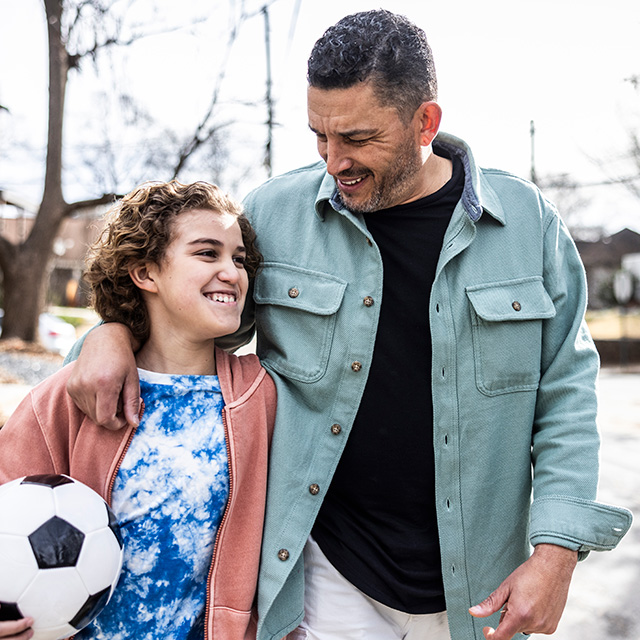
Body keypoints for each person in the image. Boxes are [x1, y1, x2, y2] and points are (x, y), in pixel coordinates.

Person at [64, 10, 632, 640]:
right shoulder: (275, 213)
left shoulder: (528, 223)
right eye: (319, 137)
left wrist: (557, 552)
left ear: (426, 122)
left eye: (358, 139)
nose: (335, 161)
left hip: (478, 584)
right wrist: (109, 333)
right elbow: (194, 320)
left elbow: (567, 394)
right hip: (329, 570)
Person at [0, 181, 276, 640]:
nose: (232, 271)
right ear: (145, 272)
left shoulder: (260, 397)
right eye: (207, 253)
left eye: (239, 258)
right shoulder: (69, 397)